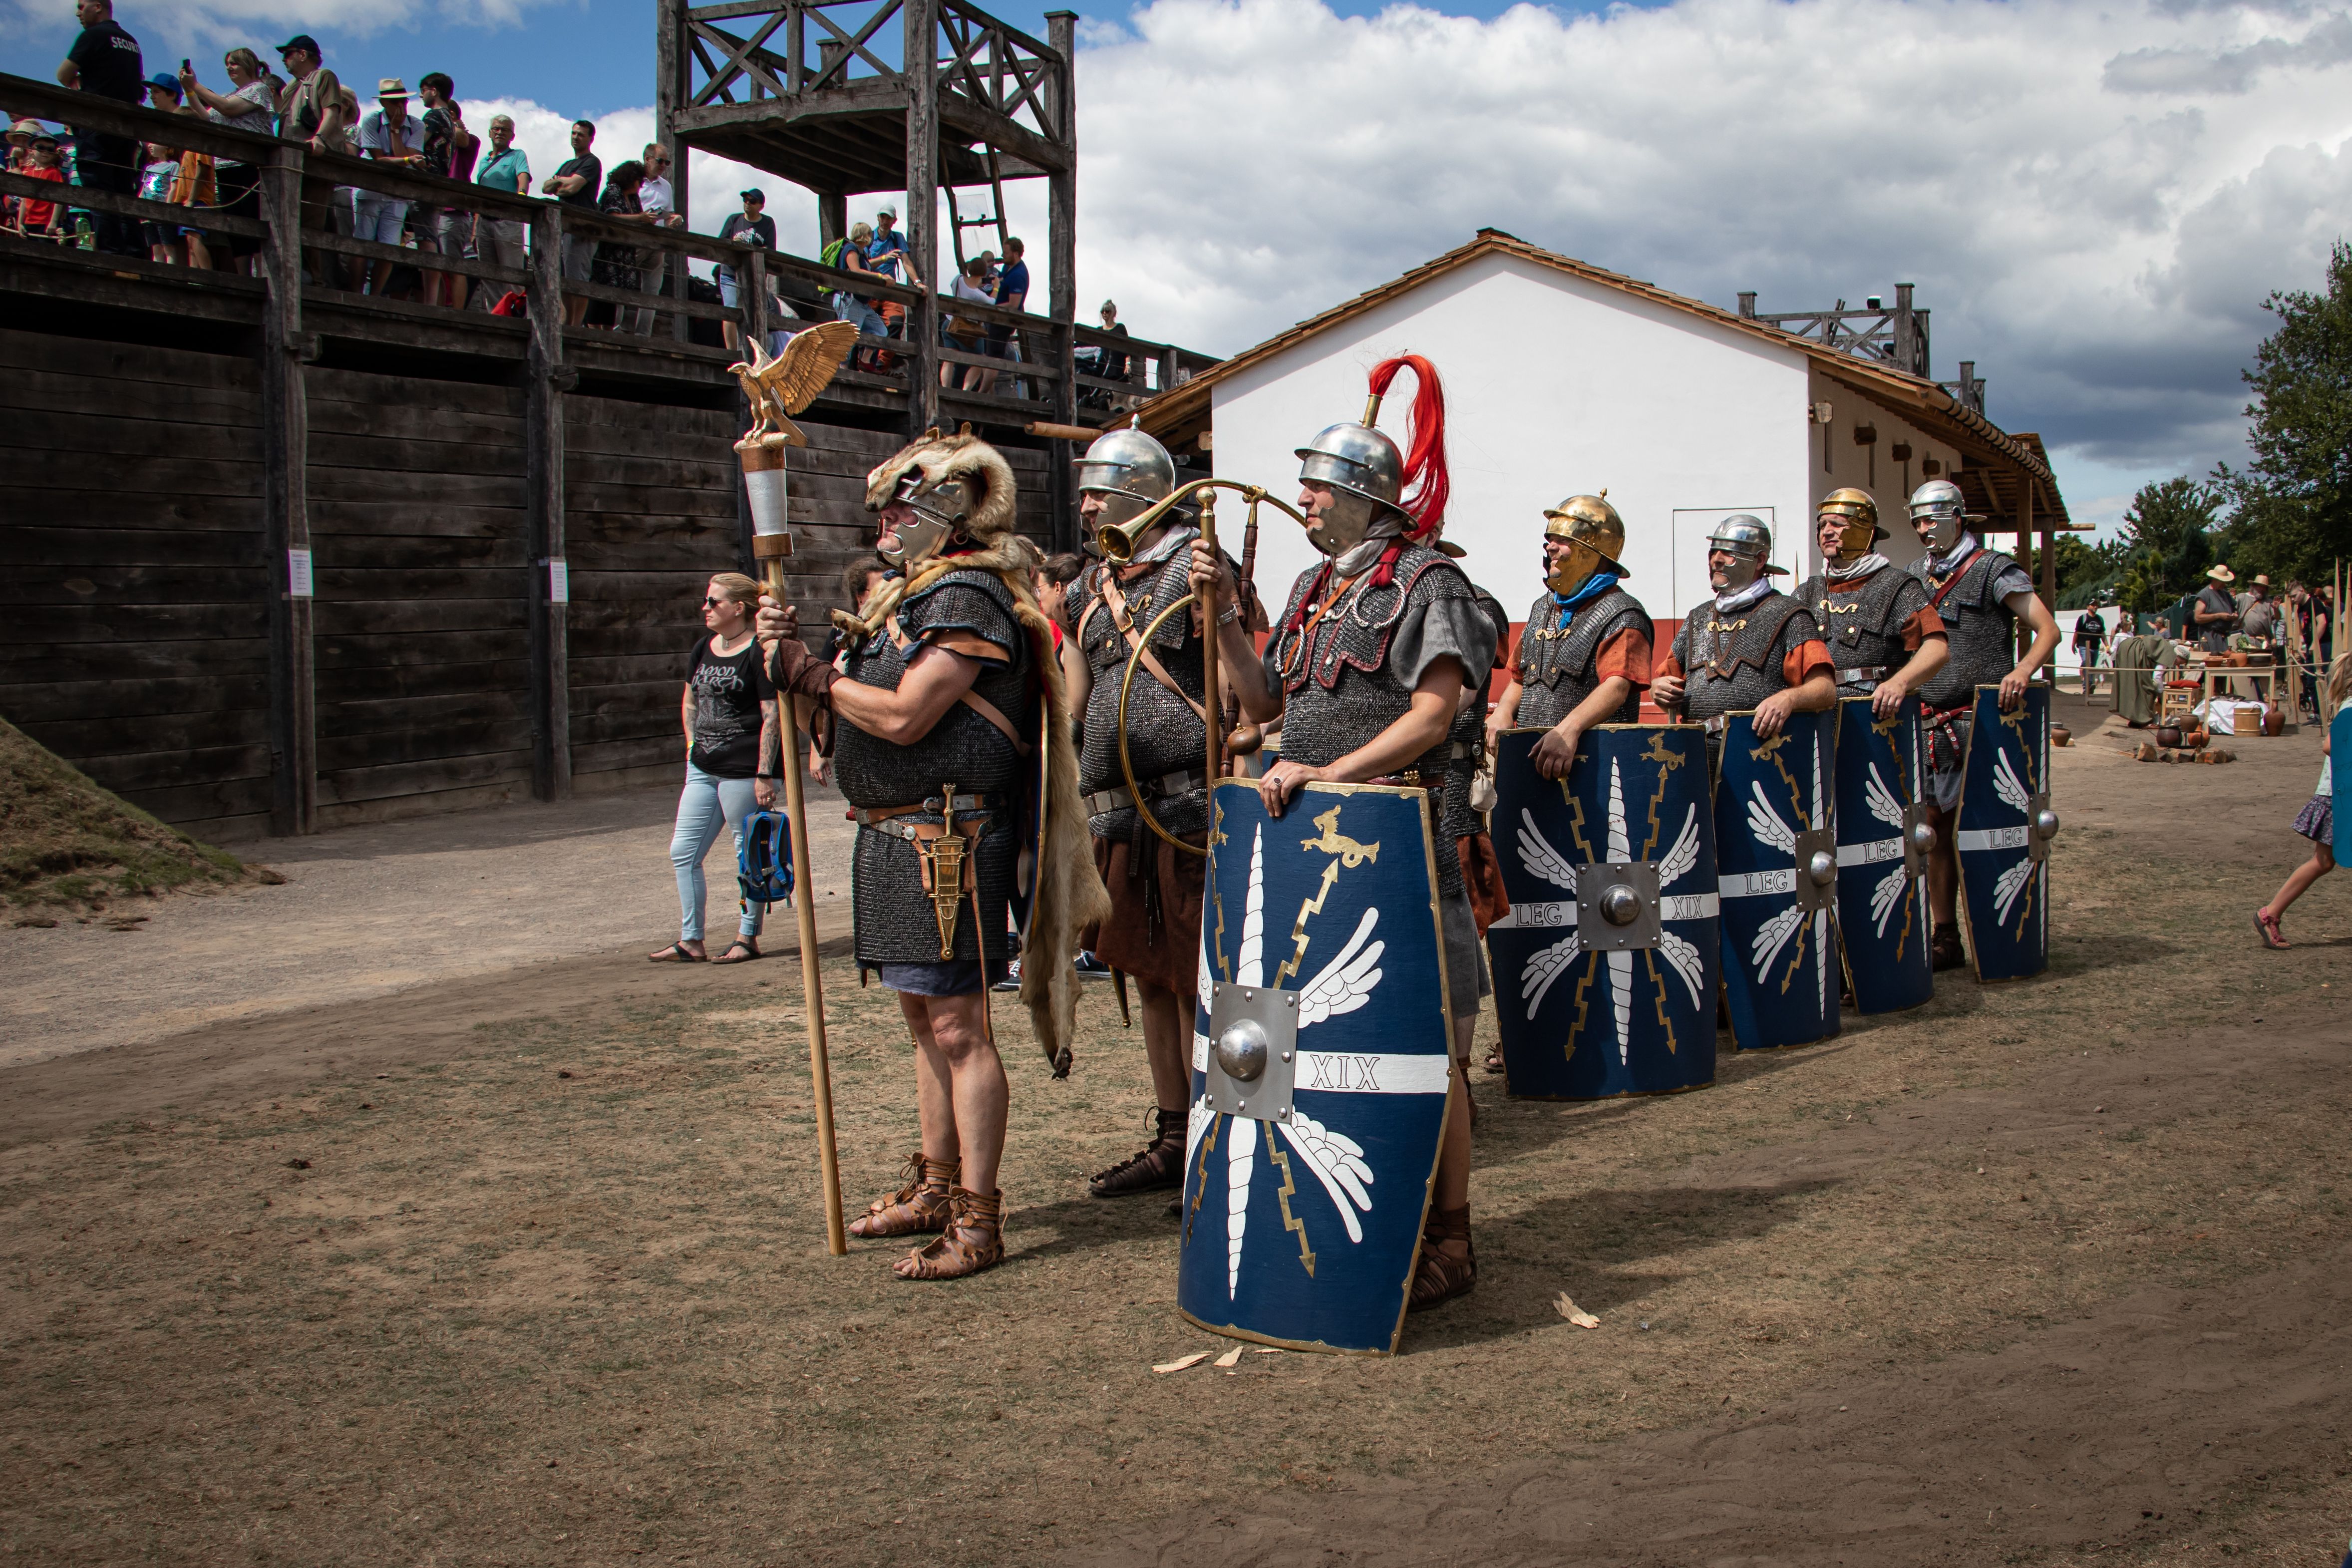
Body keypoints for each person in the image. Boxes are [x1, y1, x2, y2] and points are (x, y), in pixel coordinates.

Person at [756, 430, 1108, 1280]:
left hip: (946, 843)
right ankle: (938, 1185)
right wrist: (791, 665)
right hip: (894, 836)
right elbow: (845, 719)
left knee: (957, 1027)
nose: (882, 521)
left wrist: (810, 675)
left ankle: (979, 1222)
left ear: (946, 512)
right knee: (924, 1022)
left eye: (899, 506)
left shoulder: (967, 594)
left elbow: (910, 714)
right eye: (880, 508)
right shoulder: (902, 600)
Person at [1188, 353, 1497, 1310]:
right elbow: (1265, 700)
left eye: (1317, 487)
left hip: (1402, 843)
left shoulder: (1431, 585)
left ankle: (1450, 1236)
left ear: (1366, 495)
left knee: (1428, 1048)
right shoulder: (1313, 590)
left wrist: (1328, 773)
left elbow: (1433, 715)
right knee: (1322, 1045)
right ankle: (1379, 1220)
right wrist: (1225, 621)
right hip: (1315, 854)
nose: (1305, 502)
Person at [1061, 428, 1255, 1202]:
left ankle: (1215, 1135)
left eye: (1097, 490)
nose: (1085, 504)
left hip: (1186, 809)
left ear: (1141, 491)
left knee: (1194, 981)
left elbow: (1241, 692)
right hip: (1117, 814)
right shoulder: (1086, 586)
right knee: (1148, 979)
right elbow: (1077, 698)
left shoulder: (1196, 568)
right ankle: (1173, 1138)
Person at [1903, 479, 2062, 971]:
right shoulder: (1912, 578)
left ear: (1957, 516)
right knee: (1932, 830)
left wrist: (2021, 670)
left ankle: (2000, 931)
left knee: (1988, 830)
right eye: (1916, 522)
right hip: (1928, 723)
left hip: (1979, 722)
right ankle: (1944, 934)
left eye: (1931, 519)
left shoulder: (1992, 569)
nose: (1923, 530)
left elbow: (2047, 629)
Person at [651, 575, 779, 965]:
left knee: (748, 854)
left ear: (738, 608)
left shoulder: (758, 652)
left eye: (713, 601)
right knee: (683, 851)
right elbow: (689, 700)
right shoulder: (702, 648)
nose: (705, 608)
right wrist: (692, 746)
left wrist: (764, 772)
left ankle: (747, 936)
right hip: (703, 767)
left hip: (742, 769)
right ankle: (691, 939)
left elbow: (770, 714)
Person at [1651, 515, 1836, 768]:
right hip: (1694, 757)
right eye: (1714, 552)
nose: (1716, 559)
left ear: (1760, 560)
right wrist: (1659, 689)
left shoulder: (1789, 613)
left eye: (1728, 552)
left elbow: (1825, 689)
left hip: (1756, 759)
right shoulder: (1698, 617)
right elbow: (1666, 680)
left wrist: (1788, 699)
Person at [1794, 487, 1949, 714]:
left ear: (1864, 529)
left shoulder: (1897, 585)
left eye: (1837, 524)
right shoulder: (1807, 592)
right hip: (1815, 719)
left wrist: (1900, 682)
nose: (1826, 532)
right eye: (1822, 525)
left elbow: (1937, 648)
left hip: (1873, 719)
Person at [2255, 654, 2349, 948]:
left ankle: (2270, 914)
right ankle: (2270, 913)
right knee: (2323, 861)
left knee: (2324, 862)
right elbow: (2331, 746)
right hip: (2339, 795)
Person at [56, 0, 143, 256]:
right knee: (124, 189)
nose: (77, 12)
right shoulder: (132, 42)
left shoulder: (93, 35)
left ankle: (110, 253)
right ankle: (136, 253)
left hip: (97, 126)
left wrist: (81, 82)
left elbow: (63, 75)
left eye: (81, 6)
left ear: (98, 7)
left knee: (99, 190)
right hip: (126, 130)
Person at [177, 48, 272, 273]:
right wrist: (189, 92)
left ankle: (263, 281)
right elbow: (209, 116)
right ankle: (243, 281)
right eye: (227, 64)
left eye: (234, 63)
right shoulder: (231, 94)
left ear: (248, 65)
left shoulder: (259, 89)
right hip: (227, 167)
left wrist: (196, 86)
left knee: (253, 227)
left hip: (249, 166)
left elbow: (227, 110)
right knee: (237, 233)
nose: (229, 67)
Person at [353, 79, 423, 295]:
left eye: (403, 101)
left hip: (398, 196)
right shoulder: (371, 121)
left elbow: (407, 156)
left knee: (389, 249)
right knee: (362, 246)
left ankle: (374, 295)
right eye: (395, 102)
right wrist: (405, 159)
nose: (400, 107)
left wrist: (395, 132)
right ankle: (356, 294)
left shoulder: (417, 125)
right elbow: (379, 158)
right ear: (384, 103)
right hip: (371, 191)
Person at [415, 74, 475, 308]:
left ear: (434, 91)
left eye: (423, 90)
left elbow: (417, 145)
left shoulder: (432, 117)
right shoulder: (449, 123)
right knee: (433, 246)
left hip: (426, 182)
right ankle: (434, 303)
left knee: (428, 245)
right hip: (440, 186)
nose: (421, 95)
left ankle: (433, 305)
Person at [543, 120, 601, 325]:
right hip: (562, 228)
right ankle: (566, 324)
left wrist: (560, 182)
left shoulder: (592, 162)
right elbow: (545, 187)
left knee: (578, 279)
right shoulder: (567, 164)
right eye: (574, 133)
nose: (576, 137)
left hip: (581, 228)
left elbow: (571, 189)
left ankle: (576, 326)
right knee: (564, 278)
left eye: (581, 135)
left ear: (591, 139)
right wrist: (561, 182)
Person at [472, 113, 529, 294]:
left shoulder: (517, 155)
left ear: (512, 136)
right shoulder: (483, 161)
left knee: (512, 275)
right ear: (490, 133)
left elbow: (523, 178)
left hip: (507, 220)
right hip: (485, 221)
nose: (499, 132)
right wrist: (475, 229)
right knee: (488, 275)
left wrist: (520, 195)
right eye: (496, 129)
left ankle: (515, 317)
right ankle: (496, 317)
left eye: (505, 130)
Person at [631, 143, 685, 334]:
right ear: (648, 159)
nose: (664, 166)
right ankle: (615, 328)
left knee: (652, 290)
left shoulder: (666, 186)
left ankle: (643, 334)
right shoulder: (634, 179)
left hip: (657, 241)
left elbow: (669, 213)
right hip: (633, 238)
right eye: (660, 161)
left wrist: (675, 218)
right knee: (622, 281)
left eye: (667, 162)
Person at [591, 159, 651, 321]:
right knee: (602, 294)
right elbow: (613, 216)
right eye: (640, 181)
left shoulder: (633, 198)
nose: (641, 185)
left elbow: (638, 217)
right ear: (631, 178)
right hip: (609, 253)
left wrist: (647, 219)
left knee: (617, 296)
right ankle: (596, 332)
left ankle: (610, 331)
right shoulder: (613, 191)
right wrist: (641, 217)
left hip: (625, 254)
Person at [715, 189, 774, 351]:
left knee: (754, 313)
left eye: (752, 201)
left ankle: (754, 351)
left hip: (753, 275)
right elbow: (720, 243)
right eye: (746, 200)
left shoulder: (767, 223)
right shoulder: (734, 220)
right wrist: (733, 242)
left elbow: (771, 249)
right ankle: (732, 352)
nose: (747, 203)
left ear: (761, 206)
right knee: (731, 309)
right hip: (730, 273)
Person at [832, 220, 888, 358]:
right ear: (864, 235)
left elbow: (866, 267)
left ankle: (865, 360)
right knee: (846, 339)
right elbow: (856, 271)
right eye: (870, 234)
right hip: (851, 300)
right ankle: (841, 372)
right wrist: (881, 276)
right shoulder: (851, 249)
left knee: (880, 331)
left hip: (862, 302)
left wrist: (884, 259)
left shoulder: (862, 253)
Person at [941, 256, 993, 389]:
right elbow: (993, 302)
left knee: (949, 359)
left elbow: (957, 287)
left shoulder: (958, 279)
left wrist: (975, 284)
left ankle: (946, 389)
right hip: (967, 331)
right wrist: (997, 288)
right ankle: (966, 391)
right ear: (983, 273)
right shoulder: (978, 295)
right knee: (978, 361)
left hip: (949, 323)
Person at [2192, 564, 2240, 653]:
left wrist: (2234, 616)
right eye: (2222, 581)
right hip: (2210, 637)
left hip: (2224, 637)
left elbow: (2235, 609)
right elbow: (2198, 618)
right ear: (2215, 579)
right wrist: (2219, 616)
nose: (2224, 584)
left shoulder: (2226, 594)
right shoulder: (2205, 595)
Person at [2071, 601, 2108, 695]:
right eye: (2093, 605)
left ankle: (2088, 688)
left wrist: (2107, 646)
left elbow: (2103, 634)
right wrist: (2073, 644)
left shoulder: (2100, 619)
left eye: (2097, 605)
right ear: (2088, 606)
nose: (2096, 607)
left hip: (2095, 646)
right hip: (2084, 645)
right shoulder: (2083, 618)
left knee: (2092, 667)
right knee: (2086, 663)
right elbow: (2077, 632)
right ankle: (2089, 684)